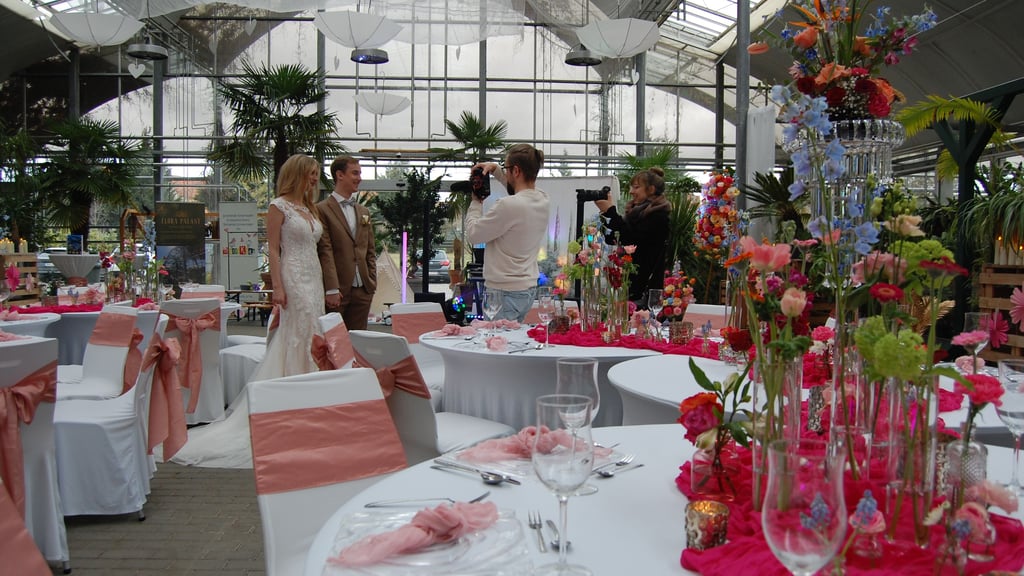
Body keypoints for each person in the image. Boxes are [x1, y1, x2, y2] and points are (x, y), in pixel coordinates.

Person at [169, 154, 325, 468]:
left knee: (314, 331)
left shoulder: (310, 208)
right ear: (296, 174)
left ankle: (314, 401)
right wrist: (277, 286)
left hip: (314, 275)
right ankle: (291, 404)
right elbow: (272, 248)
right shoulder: (278, 206)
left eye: (316, 174)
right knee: (297, 332)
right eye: (310, 174)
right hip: (293, 276)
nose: (314, 179)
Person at [467, 143, 550, 322]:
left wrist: (476, 202)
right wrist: (497, 170)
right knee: (512, 345)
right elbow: (519, 191)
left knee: (497, 345)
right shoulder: (542, 199)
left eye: (507, 168)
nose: (506, 173)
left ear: (516, 171)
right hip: (526, 289)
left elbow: (473, 234)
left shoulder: (508, 205)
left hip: (503, 292)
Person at [594, 167, 671, 303]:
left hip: (644, 286)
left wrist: (611, 211)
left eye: (636, 187)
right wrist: (606, 213)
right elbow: (612, 239)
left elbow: (631, 240)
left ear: (651, 189)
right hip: (628, 283)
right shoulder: (634, 214)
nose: (631, 192)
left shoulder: (659, 216)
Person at [317, 156, 377, 331]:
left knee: (359, 340)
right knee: (333, 341)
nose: (359, 178)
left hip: (363, 289)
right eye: (355, 173)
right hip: (338, 290)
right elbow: (325, 250)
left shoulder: (363, 211)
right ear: (340, 175)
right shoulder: (322, 209)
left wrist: (371, 282)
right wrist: (331, 288)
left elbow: (370, 249)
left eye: (360, 173)